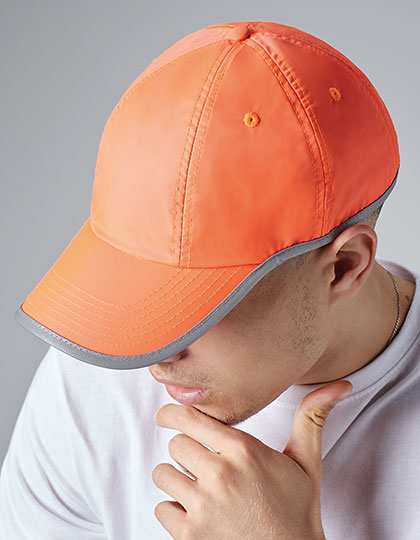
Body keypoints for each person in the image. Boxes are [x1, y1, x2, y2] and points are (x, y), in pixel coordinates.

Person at [1, 20, 419, 540]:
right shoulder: (92, 379)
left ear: (344, 267)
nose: (152, 352)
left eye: (202, 302)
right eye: (138, 287)